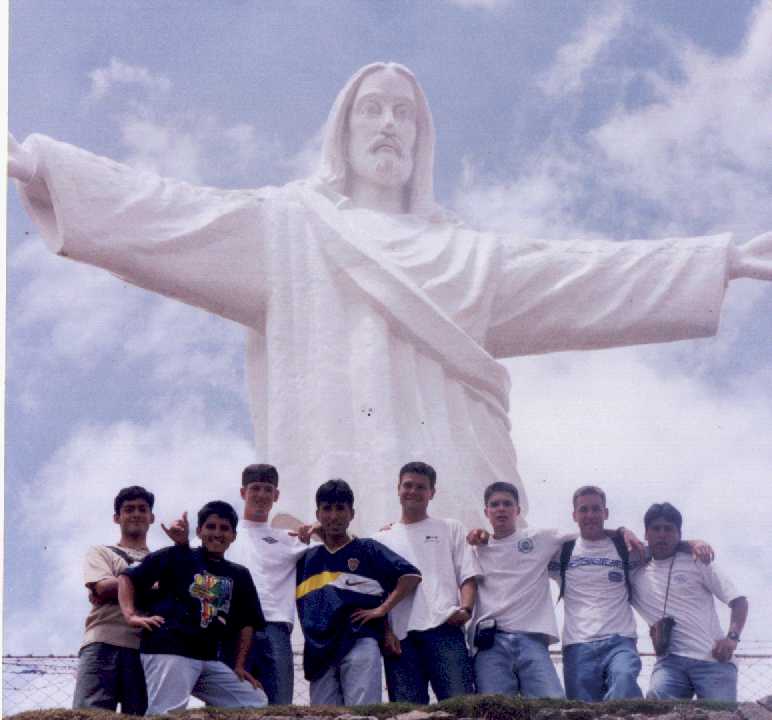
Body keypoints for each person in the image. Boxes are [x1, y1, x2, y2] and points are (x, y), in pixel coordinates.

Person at [8, 62, 772, 532]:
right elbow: (170, 213)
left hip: (458, 490)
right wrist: (53, 170)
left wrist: (717, 261)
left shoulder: (468, 254)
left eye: (403, 112)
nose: (387, 124)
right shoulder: (288, 229)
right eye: (371, 109)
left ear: (422, 137)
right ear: (342, 130)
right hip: (336, 484)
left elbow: (584, 275)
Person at [118, 500, 268, 714]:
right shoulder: (177, 554)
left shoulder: (239, 574)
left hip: (207, 657)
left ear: (234, 535)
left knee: (253, 700)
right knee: (168, 712)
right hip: (170, 648)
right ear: (199, 530)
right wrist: (130, 615)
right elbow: (128, 577)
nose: (217, 533)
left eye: (224, 528)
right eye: (211, 526)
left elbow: (246, 622)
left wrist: (240, 665)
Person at [296, 479, 421, 705]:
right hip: (318, 651)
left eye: (340, 508)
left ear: (351, 513)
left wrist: (382, 611)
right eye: (327, 509)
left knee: (362, 712)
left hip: (360, 641)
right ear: (318, 513)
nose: (333, 516)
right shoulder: (305, 557)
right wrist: (311, 533)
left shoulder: (367, 549)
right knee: (322, 715)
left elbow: (411, 576)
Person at [374, 461, 480, 703]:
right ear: (397, 488)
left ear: (432, 492)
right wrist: (386, 632)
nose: (413, 491)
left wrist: (465, 610)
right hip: (400, 638)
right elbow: (377, 594)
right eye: (407, 485)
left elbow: (468, 575)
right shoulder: (380, 539)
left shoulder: (451, 527)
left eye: (421, 487)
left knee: (460, 706)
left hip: (445, 629)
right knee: (407, 712)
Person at [631, 502, 748, 701]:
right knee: (656, 706)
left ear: (679, 534)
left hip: (713, 660)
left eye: (669, 529)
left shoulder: (698, 561)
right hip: (669, 663)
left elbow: (739, 601)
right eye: (656, 529)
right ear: (645, 534)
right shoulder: (635, 574)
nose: (662, 534)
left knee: (721, 714)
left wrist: (732, 639)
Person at [468, 482, 568, 699]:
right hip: (490, 644)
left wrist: (621, 531)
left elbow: (586, 532)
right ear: (486, 512)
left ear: (517, 510)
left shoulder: (540, 538)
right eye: (495, 505)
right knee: (495, 709)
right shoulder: (474, 548)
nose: (501, 509)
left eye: (507, 503)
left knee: (552, 705)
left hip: (531, 640)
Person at [226, 463, 312, 705]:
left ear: (276, 495)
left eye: (267, 489)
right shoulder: (223, 533)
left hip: (275, 626)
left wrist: (315, 530)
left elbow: (332, 544)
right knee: (228, 705)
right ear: (243, 492)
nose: (261, 495)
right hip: (232, 627)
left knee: (279, 704)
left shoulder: (290, 539)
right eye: (255, 488)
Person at [551, 485, 644, 701]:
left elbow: (663, 547)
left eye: (596, 509)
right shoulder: (562, 551)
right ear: (574, 515)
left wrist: (692, 544)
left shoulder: (626, 547)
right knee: (582, 712)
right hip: (577, 646)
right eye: (583, 510)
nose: (590, 515)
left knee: (624, 681)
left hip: (619, 640)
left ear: (606, 513)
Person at [72, 486, 156, 714]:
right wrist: (154, 586)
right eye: (129, 509)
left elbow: (108, 590)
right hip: (101, 644)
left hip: (145, 650)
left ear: (152, 517)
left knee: (141, 715)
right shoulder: (101, 552)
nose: (136, 514)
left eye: (142, 509)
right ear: (117, 518)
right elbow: (102, 587)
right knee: (89, 714)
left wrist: (119, 585)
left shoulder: (161, 560)